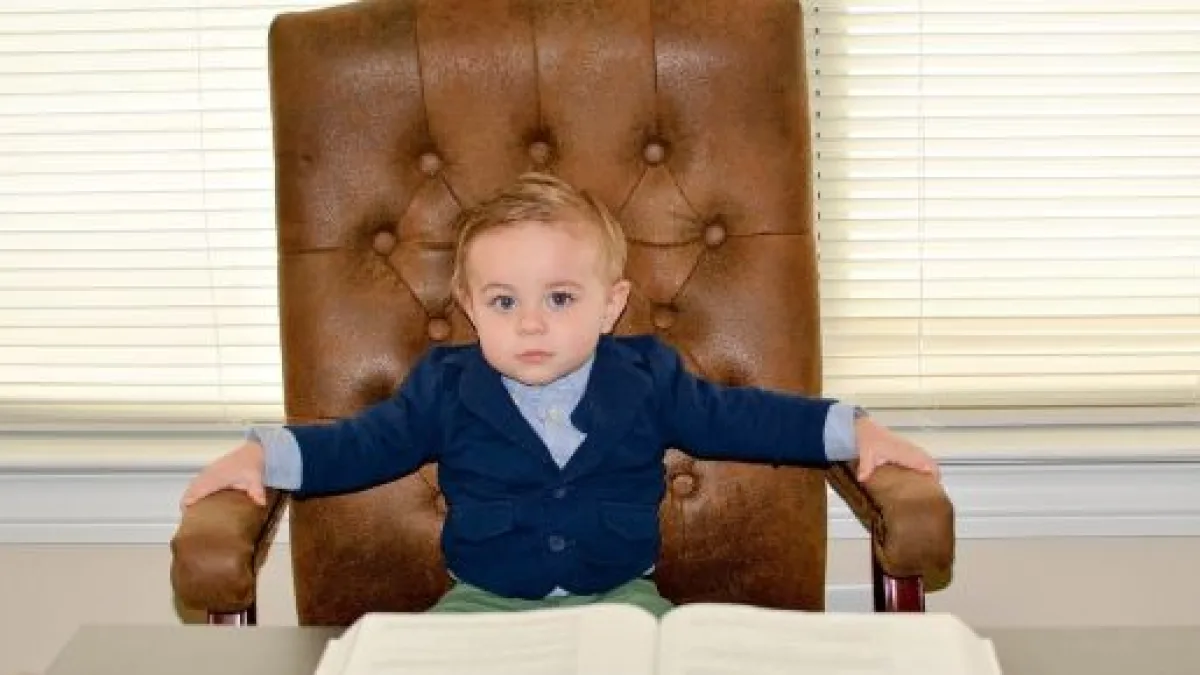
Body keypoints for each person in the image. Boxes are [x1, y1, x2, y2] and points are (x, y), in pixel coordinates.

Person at [180, 172, 939, 618]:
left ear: (611, 305)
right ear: (471, 308)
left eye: (561, 297)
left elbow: (746, 418)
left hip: (623, 601)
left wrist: (854, 430)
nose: (532, 322)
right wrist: (265, 455)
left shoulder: (648, 377)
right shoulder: (445, 386)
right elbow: (360, 445)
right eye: (504, 301)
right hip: (480, 606)